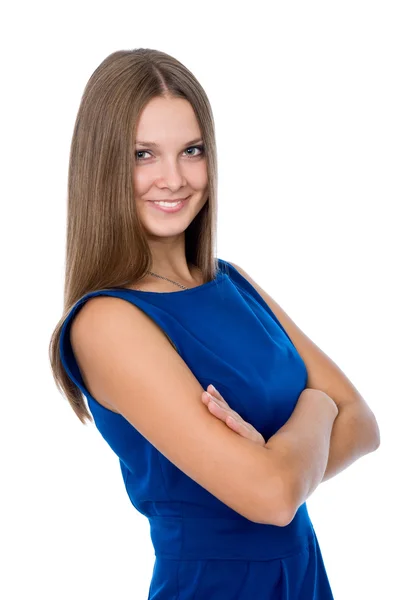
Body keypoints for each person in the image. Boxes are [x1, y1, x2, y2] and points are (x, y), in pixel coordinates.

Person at [49, 48, 380, 599]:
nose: (173, 179)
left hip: (301, 577)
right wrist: (316, 409)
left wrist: (282, 462)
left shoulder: (235, 283)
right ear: (103, 165)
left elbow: (364, 425)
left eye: (191, 150)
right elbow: (274, 497)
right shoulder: (106, 322)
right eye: (143, 154)